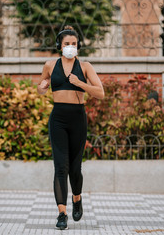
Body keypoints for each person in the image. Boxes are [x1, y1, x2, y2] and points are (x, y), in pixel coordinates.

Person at [37, 25, 104, 230]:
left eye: (73, 44)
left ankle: (77, 198)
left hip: (78, 118)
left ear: (78, 46)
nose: (70, 47)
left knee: (75, 168)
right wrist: (41, 87)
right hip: (58, 118)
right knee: (60, 167)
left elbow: (100, 93)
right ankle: (62, 213)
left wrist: (80, 83)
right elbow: (41, 86)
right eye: (67, 44)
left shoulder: (85, 67)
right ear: (60, 45)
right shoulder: (50, 65)